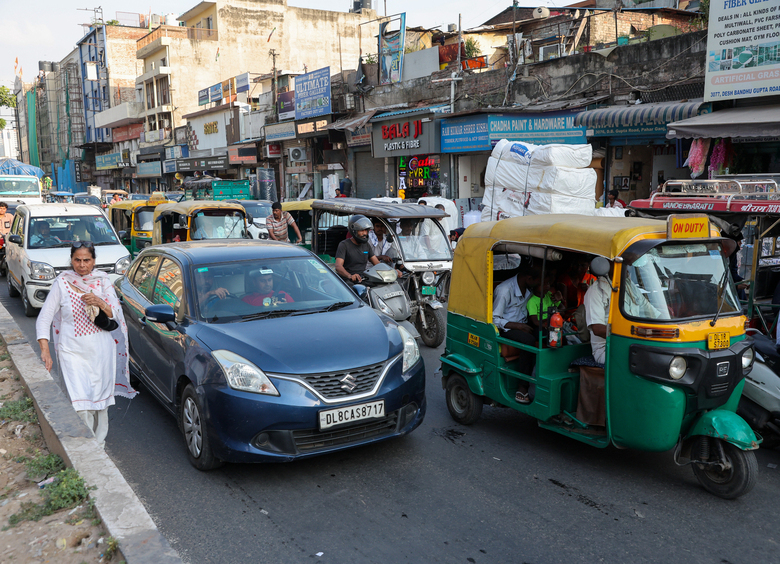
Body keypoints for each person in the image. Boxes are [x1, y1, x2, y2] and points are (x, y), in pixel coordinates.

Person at [35, 242, 136, 447]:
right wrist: (45, 351)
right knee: (80, 402)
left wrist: (100, 302)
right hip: (71, 350)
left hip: (101, 351)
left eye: (86, 260)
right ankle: (86, 444)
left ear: (94, 261)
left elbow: (115, 314)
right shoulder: (62, 283)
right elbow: (44, 318)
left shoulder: (102, 281)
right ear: (71, 261)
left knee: (99, 402)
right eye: (77, 260)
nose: (82, 265)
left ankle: (99, 443)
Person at [493, 267, 542, 404]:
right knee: (528, 341)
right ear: (529, 279)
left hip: (522, 324)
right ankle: (522, 387)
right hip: (506, 328)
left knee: (546, 334)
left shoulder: (528, 289)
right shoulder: (504, 290)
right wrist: (517, 326)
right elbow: (495, 319)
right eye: (537, 282)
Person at [576, 256, 613, 427]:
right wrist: (629, 334)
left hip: (625, 343)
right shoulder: (595, 291)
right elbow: (598, 329)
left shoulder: (627, 286)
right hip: (604, 348)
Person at [335, 214, 381, 283]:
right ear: (353, 230)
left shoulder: (366, 245)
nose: (365, 233)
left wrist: (391, 271)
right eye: (361, 230)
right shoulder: (344, 245)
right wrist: (350, 276)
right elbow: (338, 266)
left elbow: (377, 263)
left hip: (362, 279)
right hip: (347, 280)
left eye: (366, 230)